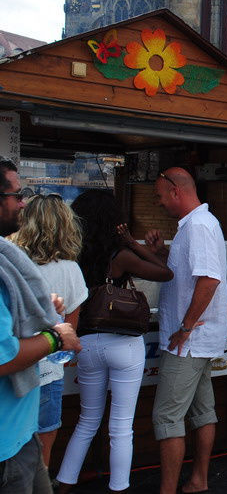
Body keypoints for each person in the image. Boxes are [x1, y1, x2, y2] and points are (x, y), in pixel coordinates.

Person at [56, 189, 173, 493]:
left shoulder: (72, 255)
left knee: (86, 421)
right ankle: (118, 487)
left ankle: (64, 482)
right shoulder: (119, 255)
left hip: (87, 343)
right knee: (121, 428)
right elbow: (165, 272)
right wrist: (133, 243)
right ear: (113, 221)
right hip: (123, 344)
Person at [0, 158, 82, 494]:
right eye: (16, 195)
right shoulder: (69, 269)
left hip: (20, 434)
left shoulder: (10, 258)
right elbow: (3, 358)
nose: (22, 203)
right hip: (7, 448)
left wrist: (42, 310)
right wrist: (55, 335)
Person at [146, 168, 227, 494]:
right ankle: (199, 480)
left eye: (160, 195)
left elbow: (209, 280)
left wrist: (185, 327)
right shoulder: (196, 226)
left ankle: (171, 489)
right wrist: (161, 252)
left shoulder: (198, 226)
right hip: (197, 339)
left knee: (166, 418)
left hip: (189, 341)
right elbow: (194, 273)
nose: (160, 201)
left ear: (176, 192)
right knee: (202, 411)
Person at [11, 194, 88, 470]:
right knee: (44, 435)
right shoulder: (71, 270)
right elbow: (70, 333)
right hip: (48, 372)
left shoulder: (11, 264)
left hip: (11, 365)